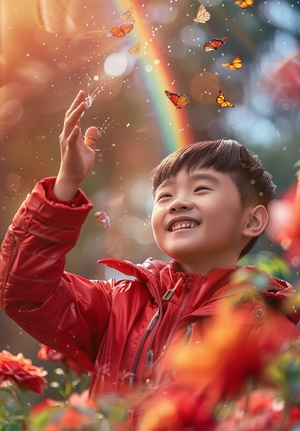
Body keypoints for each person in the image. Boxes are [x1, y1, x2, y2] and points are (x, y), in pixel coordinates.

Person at [0, 90, 299, 401]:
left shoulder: (266, 323)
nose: (178, 203)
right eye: (165, 196)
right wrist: (65, 185)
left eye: (201, 189)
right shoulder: (116, 306)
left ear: (252, 221)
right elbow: (25, 291)